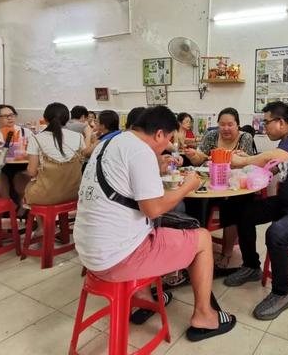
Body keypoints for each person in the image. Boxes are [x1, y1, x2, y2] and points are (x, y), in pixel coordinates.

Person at [74, 106, 236, 341]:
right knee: (202, 237)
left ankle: (144, 303)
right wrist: (187, 186)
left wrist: (157, 167)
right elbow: (154, 208)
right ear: (159, 134)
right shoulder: (140, 152)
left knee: (145, 228)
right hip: (116, 258)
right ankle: (204, 315)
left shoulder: (110, 143)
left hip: (90, 253)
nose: (167, 147)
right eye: (169, 140)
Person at [224, 101, 288, 320]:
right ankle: (251, 266)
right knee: (243, 212)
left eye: (266, 122)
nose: (264, 127)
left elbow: (270, 157)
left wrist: (241, 161)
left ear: (280, 122)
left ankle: (282, 292)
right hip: (286, 202)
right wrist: (248, 162)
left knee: (276, 234)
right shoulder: (286, 143)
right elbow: (270, 165)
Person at [183, 108, 255, 269]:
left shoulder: (245, 138)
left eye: (230, 124)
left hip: (233, 185)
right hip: (210, 183)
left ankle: (226, 253)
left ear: (238, 125)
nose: (226, 128)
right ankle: (196, 249)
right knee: (195, 201)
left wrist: (216, 157)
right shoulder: (211, 136)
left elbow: (242, 163)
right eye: (222, 124)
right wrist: (193, 155)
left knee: (233, 205)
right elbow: (198, 160)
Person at [24, 103, 85, 205]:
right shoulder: (79, 137)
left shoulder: (36, 139)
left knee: (24, 184)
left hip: (46, 196)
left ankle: (41, 221)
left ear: (45, 118)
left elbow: (32, 172)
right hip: (74, 194)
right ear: (67, 119)